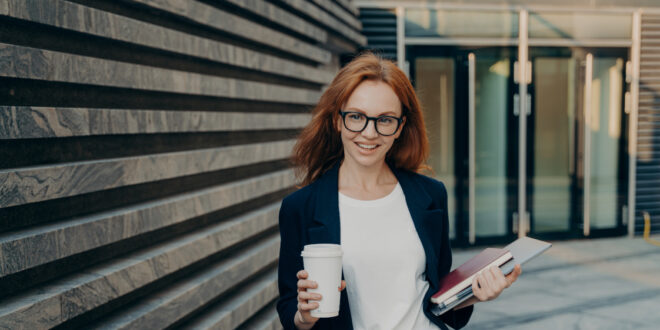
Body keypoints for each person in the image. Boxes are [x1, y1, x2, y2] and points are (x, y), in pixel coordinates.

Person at [276, 52, 522, 330]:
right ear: (337, 120)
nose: (369, 133)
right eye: (356, 116)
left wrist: (474, 295)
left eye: (385, 120)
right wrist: (304, 317)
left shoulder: (430, 196)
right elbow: (289, 308)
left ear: (400, 127)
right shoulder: (301, 208)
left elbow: (436, 299)